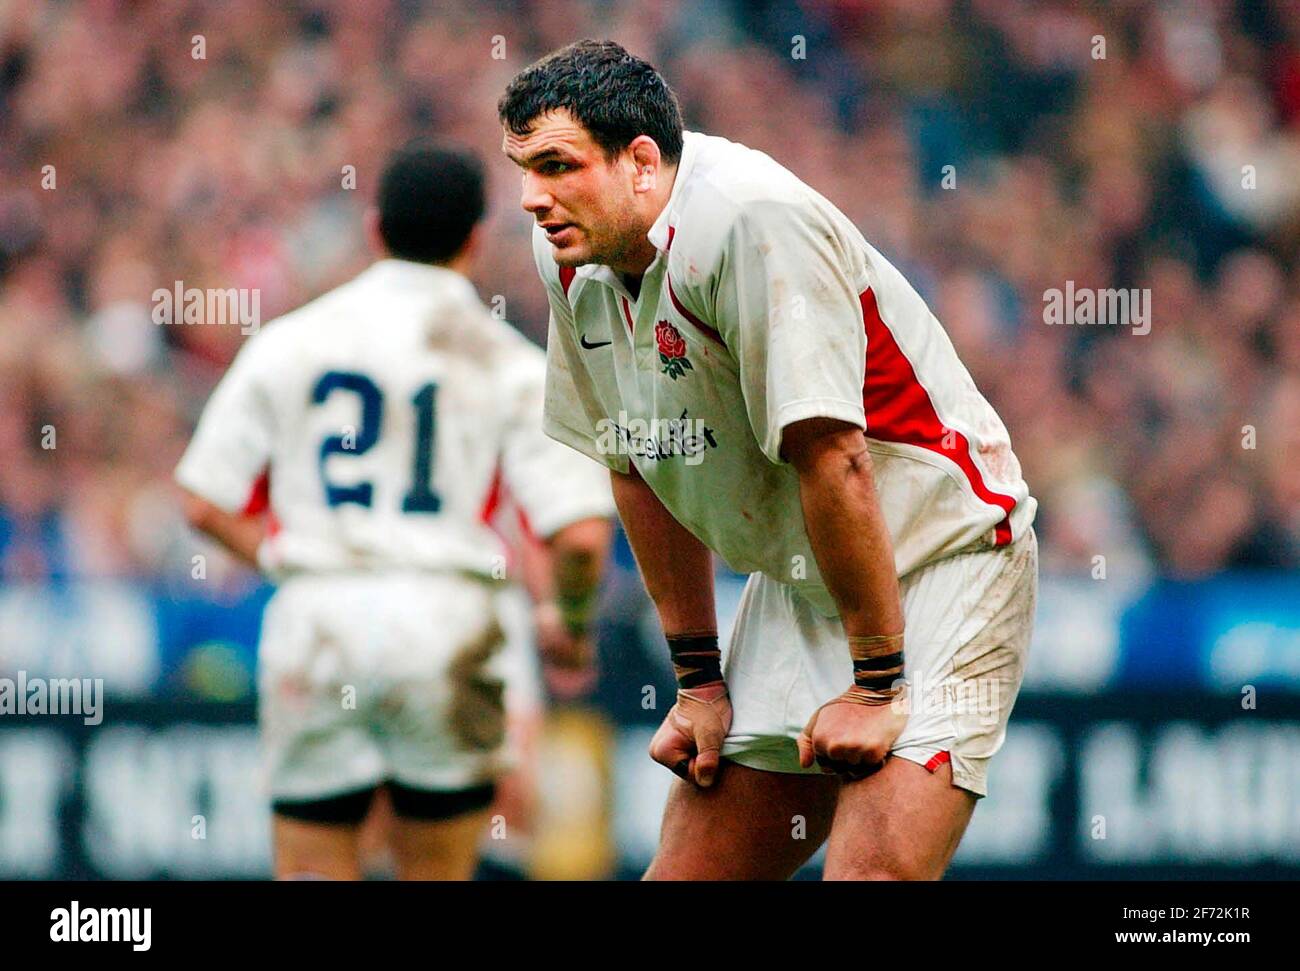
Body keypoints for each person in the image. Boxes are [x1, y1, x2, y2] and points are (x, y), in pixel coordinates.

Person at [499, 40, 1039, 880]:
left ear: (640, 162)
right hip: (803, 577)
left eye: (558, 165)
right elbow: (635, 461)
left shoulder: (751, 220)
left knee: (868, 876)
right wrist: (698, 682)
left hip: (940, 558)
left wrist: (876, 683)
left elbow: (835, 456)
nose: (533, 197)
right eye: (523, 168)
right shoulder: (573, 251)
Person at [175, 139, 614, 880]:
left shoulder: (292, 340)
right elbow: (579, 537)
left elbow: (203, 499)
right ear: (476, 238)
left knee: (313, 868)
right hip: (448, 625)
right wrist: (568, 625)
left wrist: (287, 557)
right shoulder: (505, 359)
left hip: (320, 617)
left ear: (375, 229)